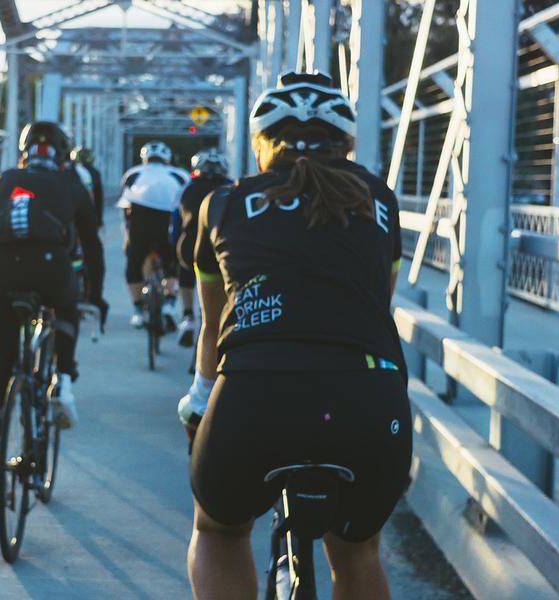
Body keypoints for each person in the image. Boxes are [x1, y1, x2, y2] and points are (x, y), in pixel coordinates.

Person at [179, 72, 410, 599]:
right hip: (366, 404)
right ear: (346, 145)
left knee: (217, 530)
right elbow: (378, 304)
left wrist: (197, 400)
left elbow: (214, 330)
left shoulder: (222, 204)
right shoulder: (380, 200)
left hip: (253, 398)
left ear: (262, 144)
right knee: (358, 553)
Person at [0, 121, 106, 504]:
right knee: (66, 299)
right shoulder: (72, 184)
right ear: (64, 156)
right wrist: (95, 298)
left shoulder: (2, 180)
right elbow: (92, 247)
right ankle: (63, 380)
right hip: (51, 268)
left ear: (24, 154)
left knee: (2, 373)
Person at [118, 140, 190, 329]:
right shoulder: (180, 174)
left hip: (140, 221)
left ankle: (137, 310)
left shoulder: (132, 173)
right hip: (168, 221)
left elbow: (125, 205)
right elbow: (186, 204)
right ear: (167, 159)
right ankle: (170, 301)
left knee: (133, 263)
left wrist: (127, 236)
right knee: (174, 262)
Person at [171, 148, 232, 348]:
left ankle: (187, 316)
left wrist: (173, 247)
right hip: (222, 248)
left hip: (190, 248)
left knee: (185, 271)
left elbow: (176, 222)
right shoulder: (232, 187)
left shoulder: (187, 188)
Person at [69, 146, 106, 228]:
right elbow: (98, 198)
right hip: (88, 213)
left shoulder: (67, 171)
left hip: (70, 214)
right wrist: (99, 220)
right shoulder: (95, 172)